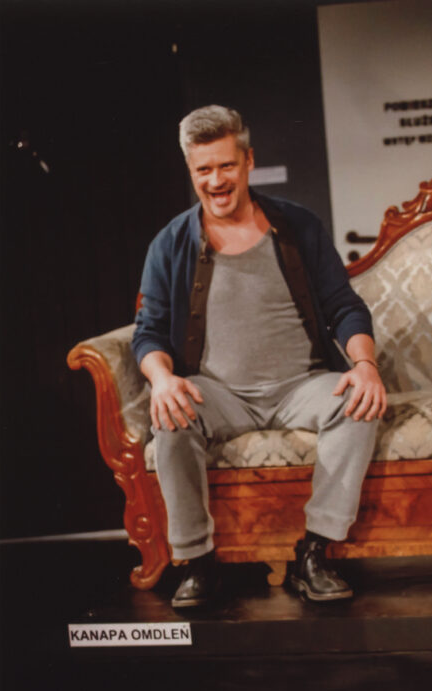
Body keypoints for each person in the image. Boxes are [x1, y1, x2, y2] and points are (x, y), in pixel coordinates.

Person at [132, 105, 386, 608]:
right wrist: (162, 379)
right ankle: (197, 561)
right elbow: (149, 333)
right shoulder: (170, 243)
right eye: (204, 169)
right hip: (217, 393)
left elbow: (345, 308)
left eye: (226, 165)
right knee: (169, 416)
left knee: (358, 404)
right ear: (191, 171)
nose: (216, 180)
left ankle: (314, 552)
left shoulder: (298, 226)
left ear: (248, 161)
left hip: (301, 386)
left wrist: (365, 366)